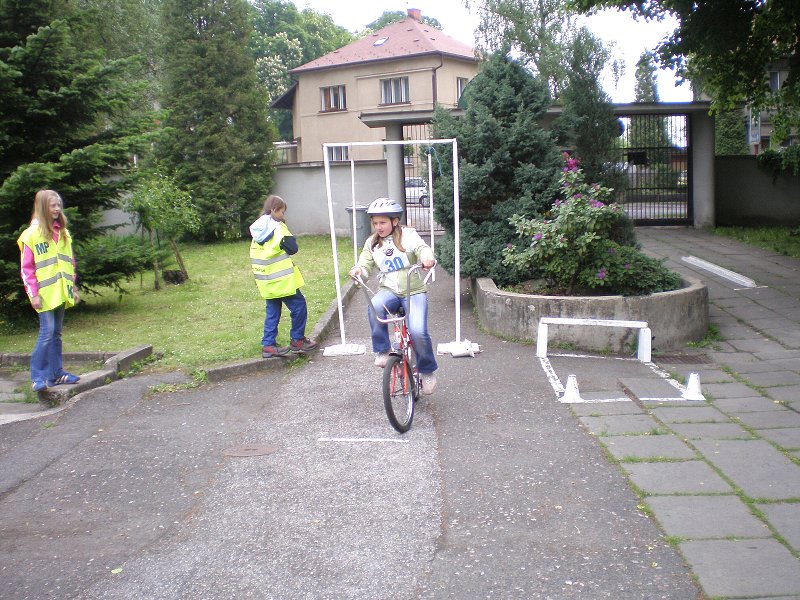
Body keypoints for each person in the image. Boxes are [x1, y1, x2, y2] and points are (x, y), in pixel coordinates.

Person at [348, 198, 438, 395]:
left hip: (413, 290)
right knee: (375, 306)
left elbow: (422, 248)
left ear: (395, 221)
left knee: (417, 331)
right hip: (388, 290)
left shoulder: (408, 235)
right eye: (375, 223)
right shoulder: (372, 243)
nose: (378, 227)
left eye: (383, 222)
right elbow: (365, 264)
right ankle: (383, 350)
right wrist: (358, 271)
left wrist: (426, 258)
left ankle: (427, 371)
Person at [17, 190, 81, 392]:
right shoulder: (31, 235)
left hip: (61, 292)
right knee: (47, 333)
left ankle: (56, 374)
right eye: (53, 205)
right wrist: (33, 294)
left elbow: (69, 262)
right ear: (43, 207)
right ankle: (37, 377)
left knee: (56, 334)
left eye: (59, 205)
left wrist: (73, 287)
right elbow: (26, 269)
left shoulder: (63, 233)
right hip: (44, 295)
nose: (57, 209)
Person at [249, 194, 318, 358]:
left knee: (272, 312)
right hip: (282, 281)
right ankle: (297, 340)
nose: (283, 215)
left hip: (266, 281)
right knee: (299, 306)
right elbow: (293, 248)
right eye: (282, 212)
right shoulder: (278, 228)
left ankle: (268, 345)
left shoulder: (257, 230)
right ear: (274, 210)